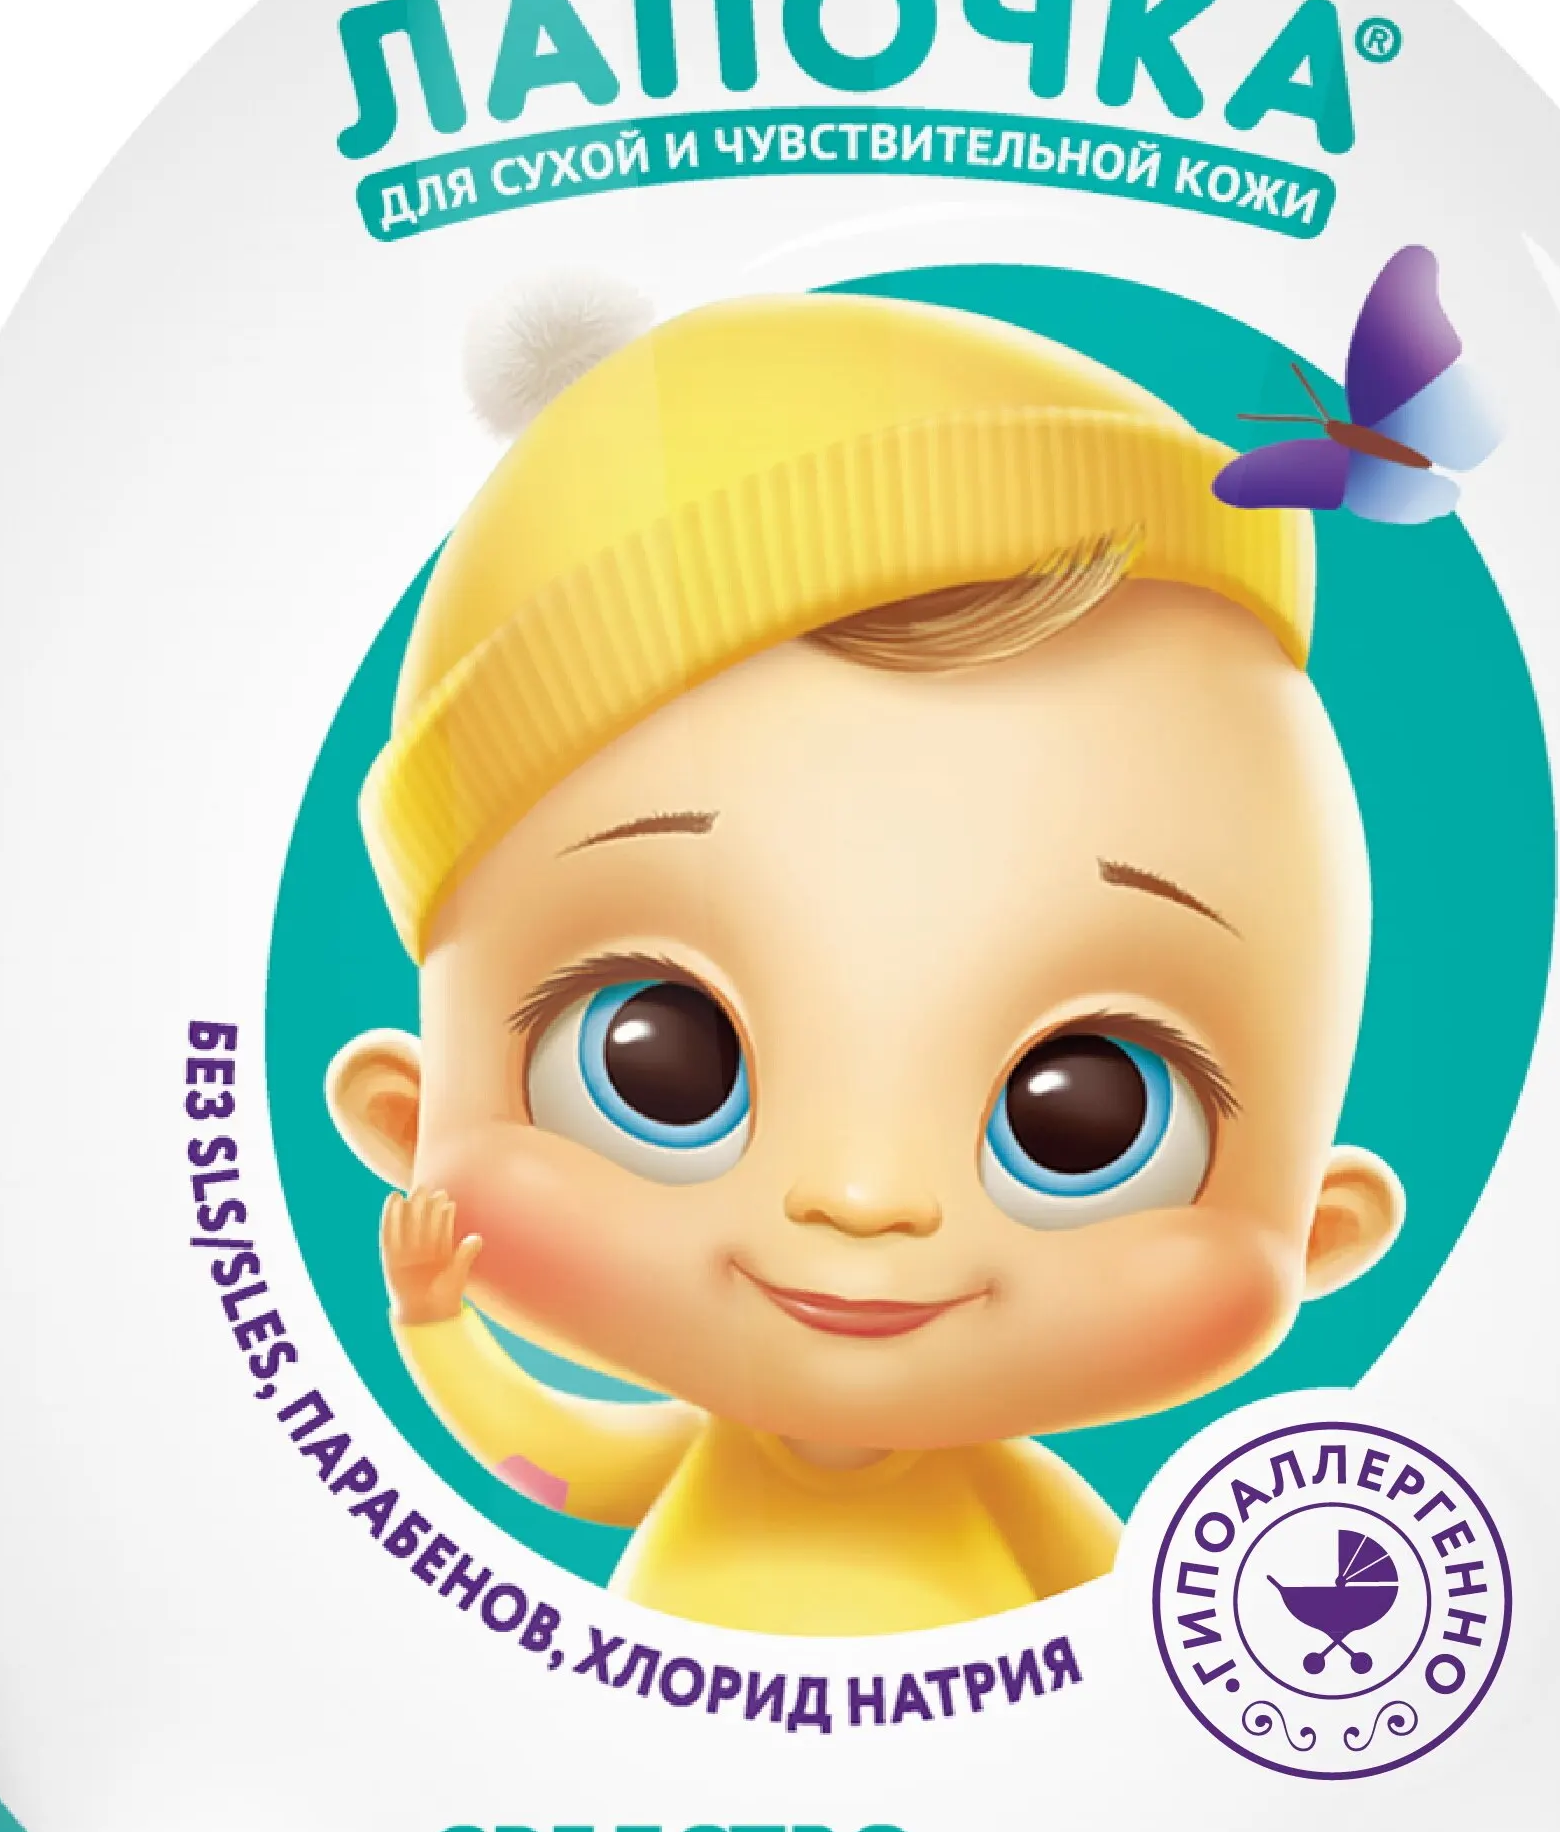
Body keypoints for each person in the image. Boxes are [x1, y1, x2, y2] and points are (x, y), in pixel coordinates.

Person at [325, 293, 1403, 1637]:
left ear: (1319, 1229)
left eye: (1083, 1112)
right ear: (407, 1115)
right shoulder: (706, 1461)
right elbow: (546, 1466)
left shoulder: (1023, 1511)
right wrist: (433, 1321)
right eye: (664, 1062)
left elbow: (1126, 1639)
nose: (861, 1199)